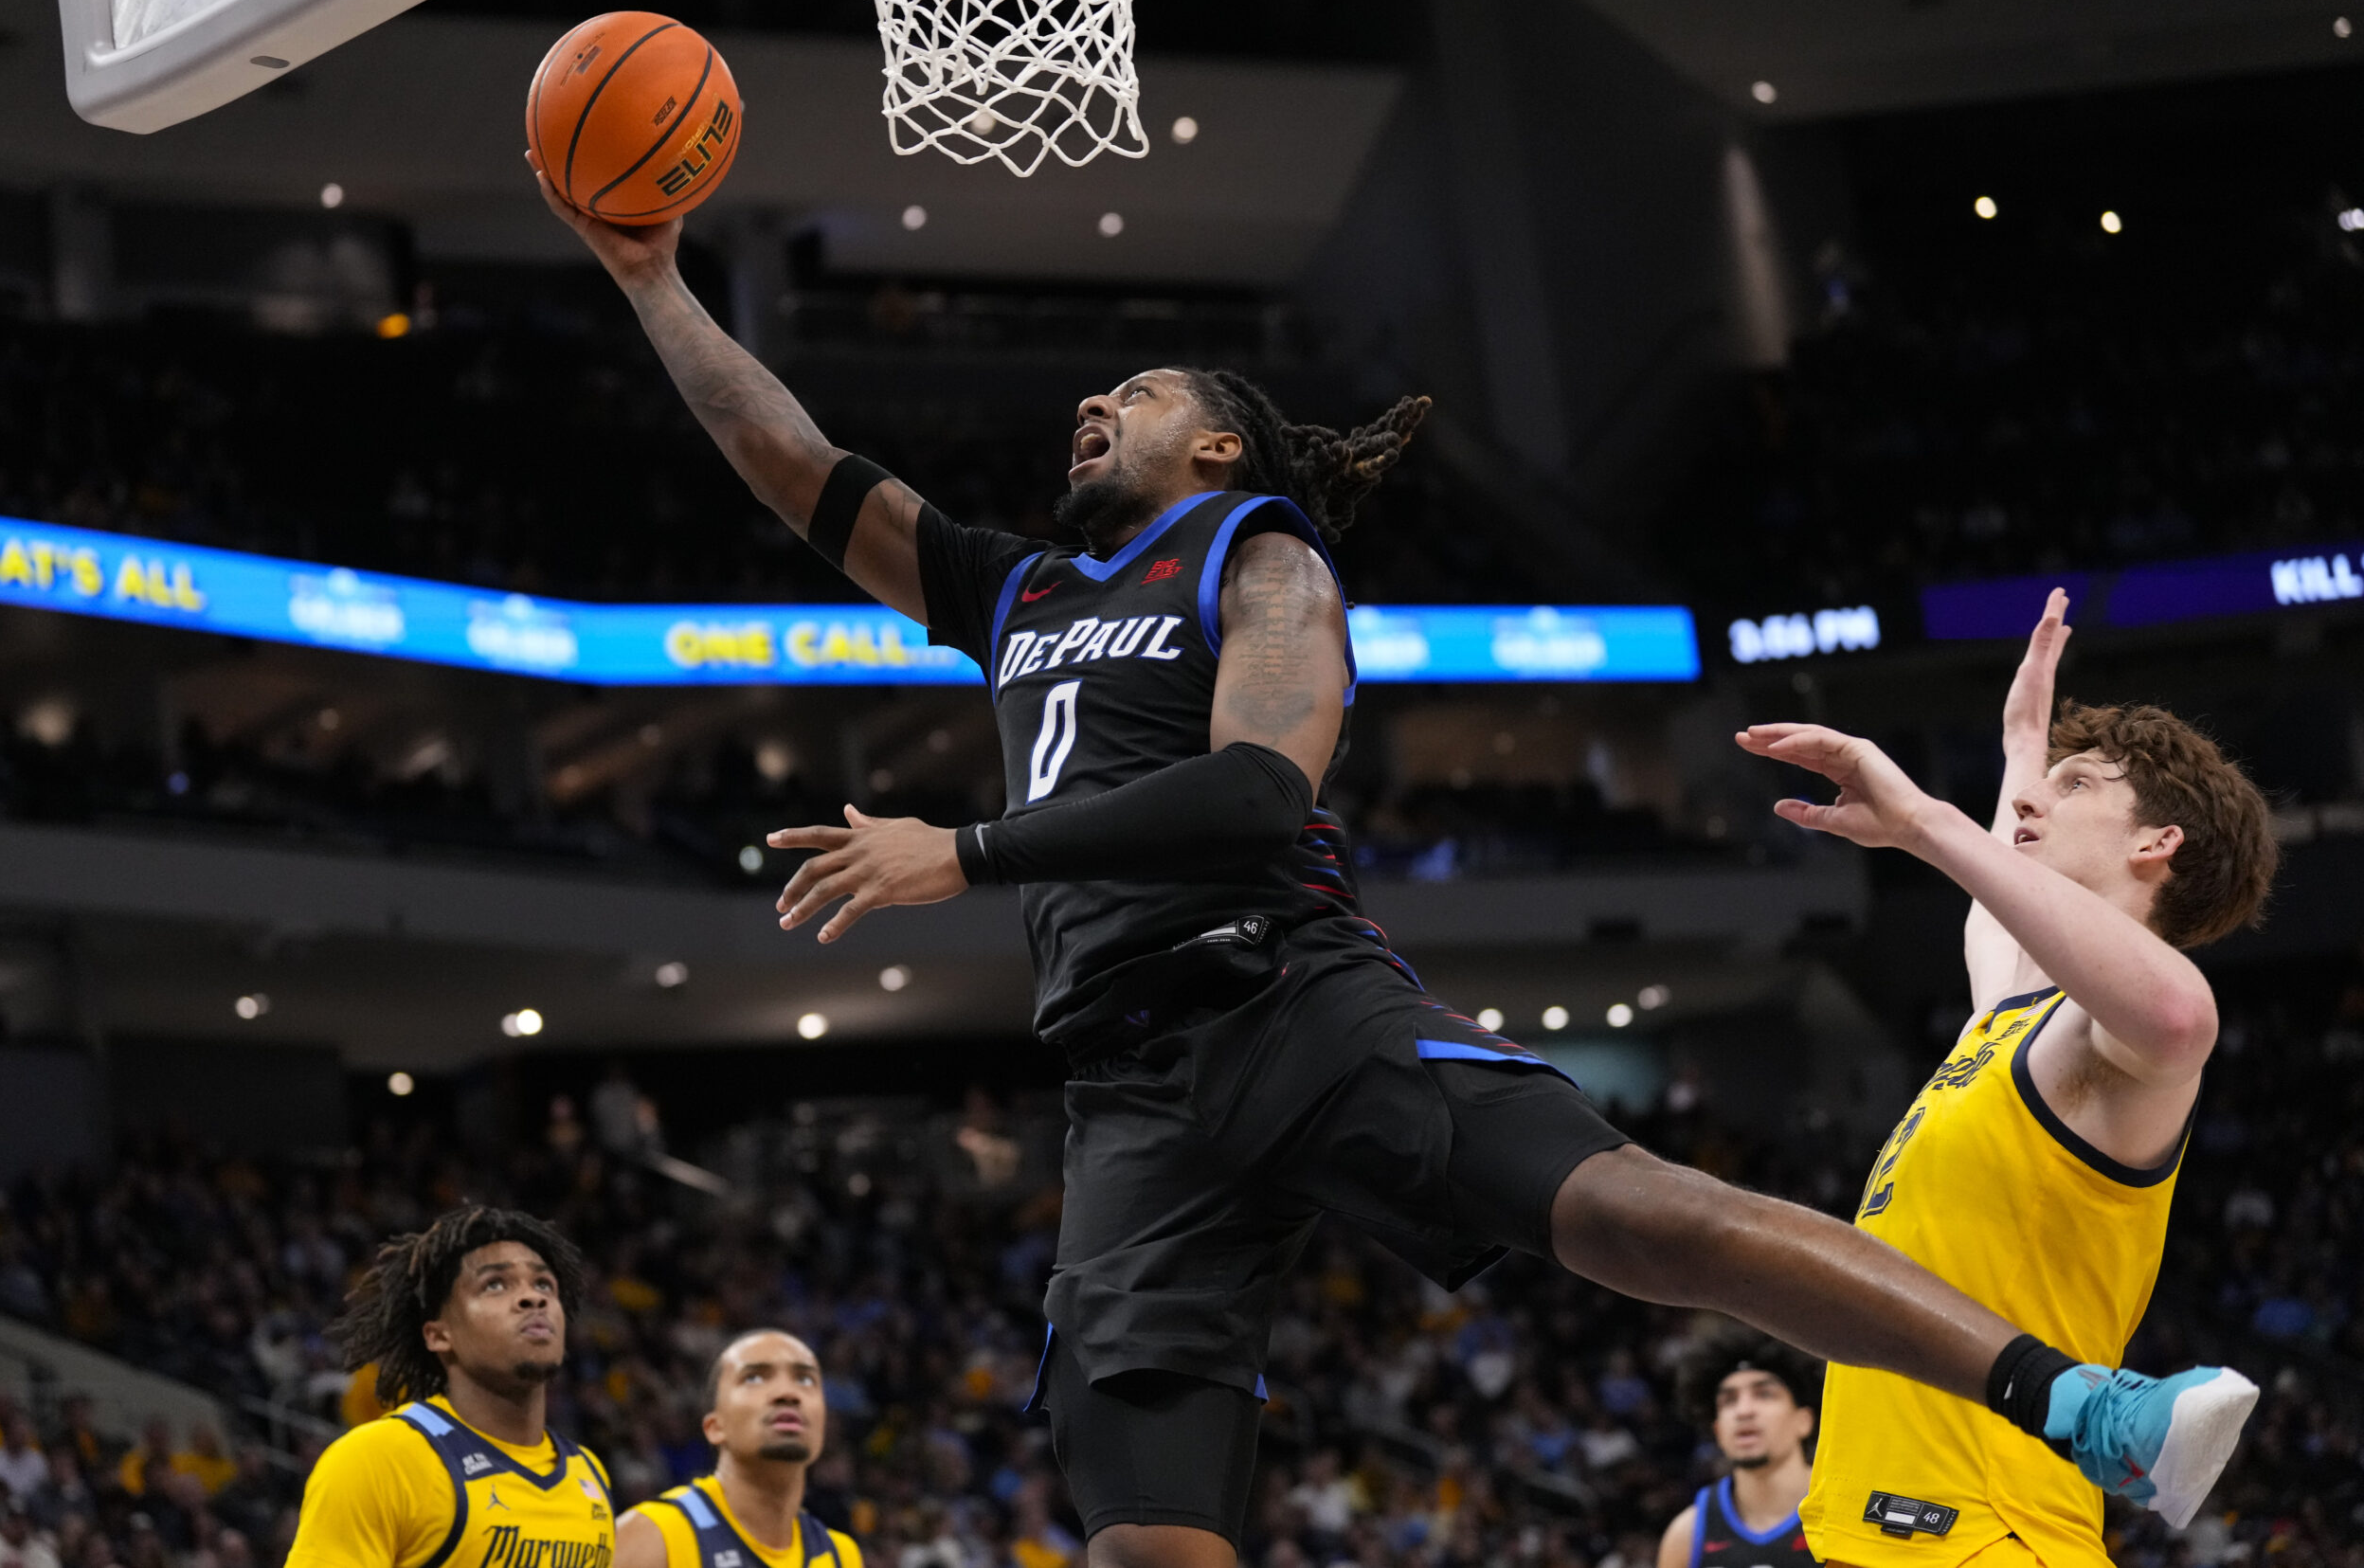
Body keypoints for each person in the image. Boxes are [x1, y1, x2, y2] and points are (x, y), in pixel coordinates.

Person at [536, 173, 2260, 1568]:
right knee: (1141, 1527)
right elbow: (796, 464)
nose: (1090, 400)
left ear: (1217, 447)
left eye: (1130, 392)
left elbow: (1244, 797)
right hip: (1127, 1086)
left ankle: (2085, 1407)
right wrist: (653, 277)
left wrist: (964, 849)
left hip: (1289, 990)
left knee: (1629, 1216)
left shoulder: (1255, 551)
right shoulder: (1018, 594)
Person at [1741, 591, 2278, 1567]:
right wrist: (2021, 744)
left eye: (2073, 790)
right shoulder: (2010, 1021)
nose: (2029, 804)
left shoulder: (2115, 1050)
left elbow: (2177, 1015)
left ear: (2156, 844)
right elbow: (1993, 918)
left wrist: (1921, 821)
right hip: (1868, 1529)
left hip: (1991, 1535)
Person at [284, 1206, 613, 1568]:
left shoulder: (589, 1473)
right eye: (495, 1285)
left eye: (543, 1284)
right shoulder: (378, 1461)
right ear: (440, 1335)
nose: (533, 1299)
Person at [613, 1331, 865, 1568]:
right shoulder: (652, 1536)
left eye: (805, 1379)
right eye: (754, 1378)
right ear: (714, 1427)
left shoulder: (841, 1555)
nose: (788, 1393)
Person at [1658, 1329, 1820, 1568]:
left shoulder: (1844, 1515)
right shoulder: (1687, 1534)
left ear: (1804, 1420)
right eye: (1729, 1400)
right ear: (1718, 1431)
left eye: (1764, 1394)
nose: (1744, 1411)